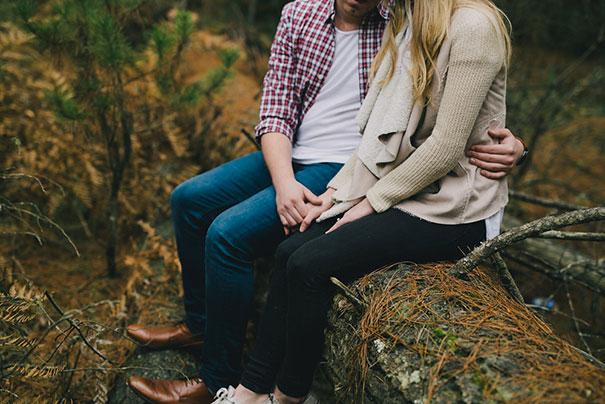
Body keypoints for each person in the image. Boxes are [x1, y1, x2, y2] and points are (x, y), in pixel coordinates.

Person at [126, 0, 525, 403]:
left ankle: (219, 380)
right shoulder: (309, 15)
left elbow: (458, 125)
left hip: (364, 170)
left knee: (230, 235)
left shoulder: (399, 19)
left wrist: (517, 148)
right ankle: (202, 329)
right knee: (190, 200)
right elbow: (277, 109)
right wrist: (290, 183)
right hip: (324, 161)